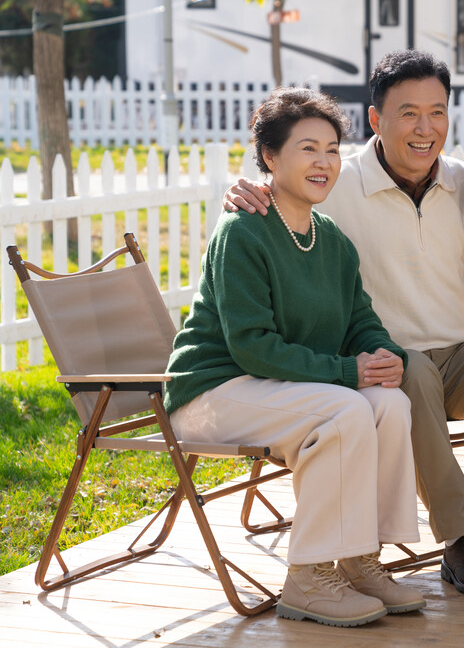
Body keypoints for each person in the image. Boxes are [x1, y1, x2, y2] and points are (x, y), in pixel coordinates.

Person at [223, 50, 464, 596]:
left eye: (437, 112)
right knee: (414, 371)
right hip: (388, 366)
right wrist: (243, 189)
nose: (425, 128)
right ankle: (460, 538)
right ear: (377, 120)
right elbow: (283, 201)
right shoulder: (337, 182)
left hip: (459, 355)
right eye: (408, 113)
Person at [165, 87, 423, 628]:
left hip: (279, 391)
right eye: (308, 149)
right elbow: (251, 345)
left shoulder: (331, 240)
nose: (324, 162)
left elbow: (360, 321)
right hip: (215, 392)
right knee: (345, 409)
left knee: (388, 404)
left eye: (332, 149)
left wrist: (383, 356)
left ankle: (359, 559)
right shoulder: (243, 231)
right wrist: (347, 372)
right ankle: (308, 575)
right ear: (270, 157)